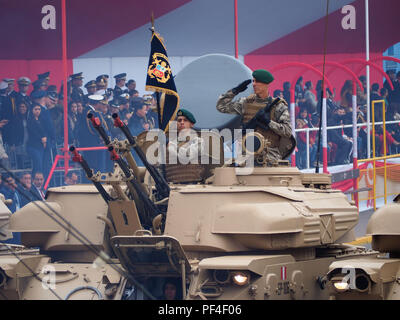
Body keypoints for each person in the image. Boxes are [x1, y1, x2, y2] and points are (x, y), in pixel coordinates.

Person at [216, 69, 295, 165]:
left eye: (257, 81)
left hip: (270, 155)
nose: (254, 84)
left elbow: (287, 131)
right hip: (245, 154)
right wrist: (235, 91)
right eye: (253, 81)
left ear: (266, 84)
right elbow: (221, 106)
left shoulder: (278, 106)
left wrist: (268, 122)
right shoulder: (246, 103)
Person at [27, 104, 47, 176]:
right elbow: (33, 132)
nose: (37, 111)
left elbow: (45, 131)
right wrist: (42, 138)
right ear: (32, 110)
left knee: (38, 166)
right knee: (38, 165)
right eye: (36, 109)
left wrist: (45, 138)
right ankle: (35, 181)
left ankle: (35, 181)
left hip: (40, 146)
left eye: (39, 109)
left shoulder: (42, 120)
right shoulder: (30, 120)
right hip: (32, 146)